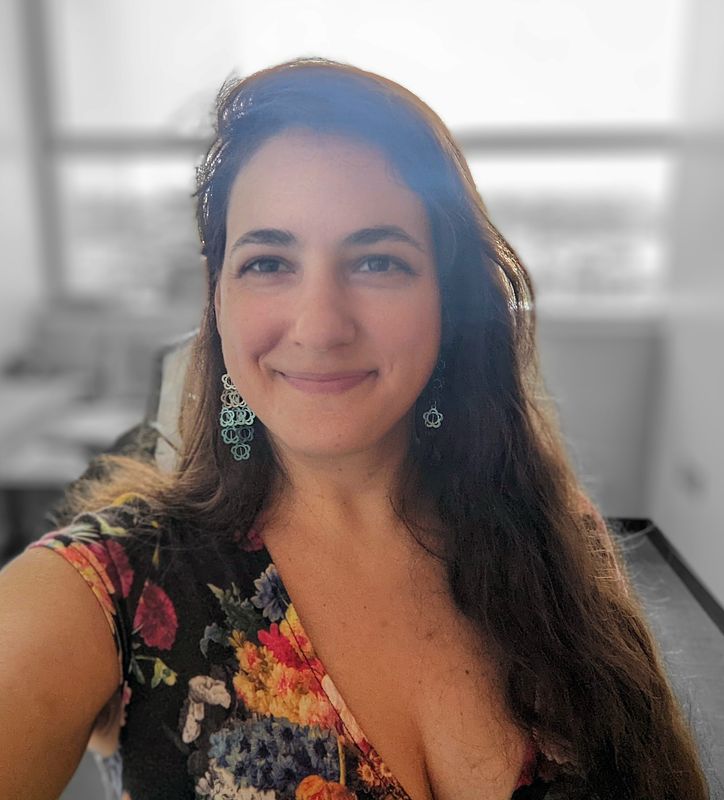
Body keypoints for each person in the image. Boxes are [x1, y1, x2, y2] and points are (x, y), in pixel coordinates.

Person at [0, 57, 712, 800]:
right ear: (218, 300)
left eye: (377, 261)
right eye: (268, 262)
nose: (320, 327)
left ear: (448, 300)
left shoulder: (556, 537)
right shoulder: (109, 589)